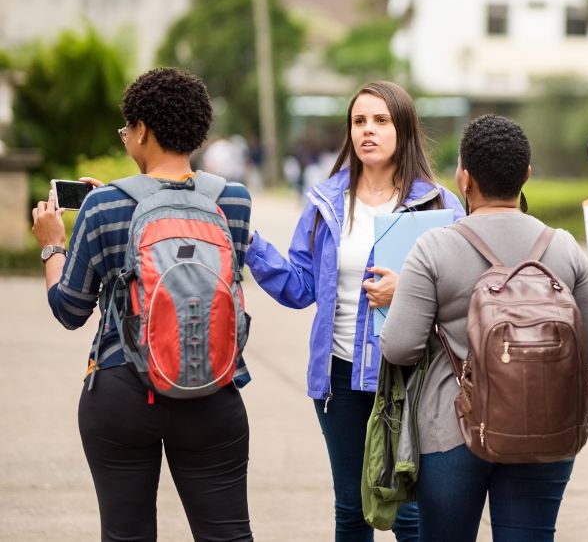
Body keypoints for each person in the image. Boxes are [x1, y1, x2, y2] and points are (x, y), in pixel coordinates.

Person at [32, 67, 254, 541]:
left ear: (143, 132)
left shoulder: (103, 206)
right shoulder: (234, 199)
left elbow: (69, 309)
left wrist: (53, 246)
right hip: (212, 383)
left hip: (122, 392)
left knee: (125, 535)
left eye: (126, 128)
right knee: (229, 535)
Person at [244, 81, 464, 541]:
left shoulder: (440, 205)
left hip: (410, 376)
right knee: (351, 507)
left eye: (381, 121)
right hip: (339, 377)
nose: (368, 131)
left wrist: (409, 291)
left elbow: (467, 292)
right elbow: (300, 288)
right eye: (359, 121)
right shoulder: (325, 203)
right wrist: (250, 244)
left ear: (403, 130)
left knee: (410, 512)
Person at [379, 114, 588, 542]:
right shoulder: (563, 248)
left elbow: (398, 348)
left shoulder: (434, 247)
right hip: (546, 428)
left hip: (452, 430)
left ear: (464, 178)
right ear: (526, 176)